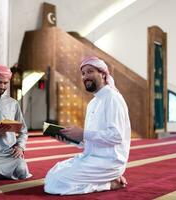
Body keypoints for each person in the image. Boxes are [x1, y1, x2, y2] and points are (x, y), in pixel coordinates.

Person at [44, 56, 131, 195]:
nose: (85, 76)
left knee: (56, 184)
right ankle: (104, 180)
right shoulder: (93, 103)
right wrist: (70, 138)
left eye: (90, 71)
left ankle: (108, 183)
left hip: (109, 162)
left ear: (103, 74)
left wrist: (83, 133)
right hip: (91, 158)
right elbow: (91, 140)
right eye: (83, 73)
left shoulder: (113, 98)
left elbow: (116, 136)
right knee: (52, 174)